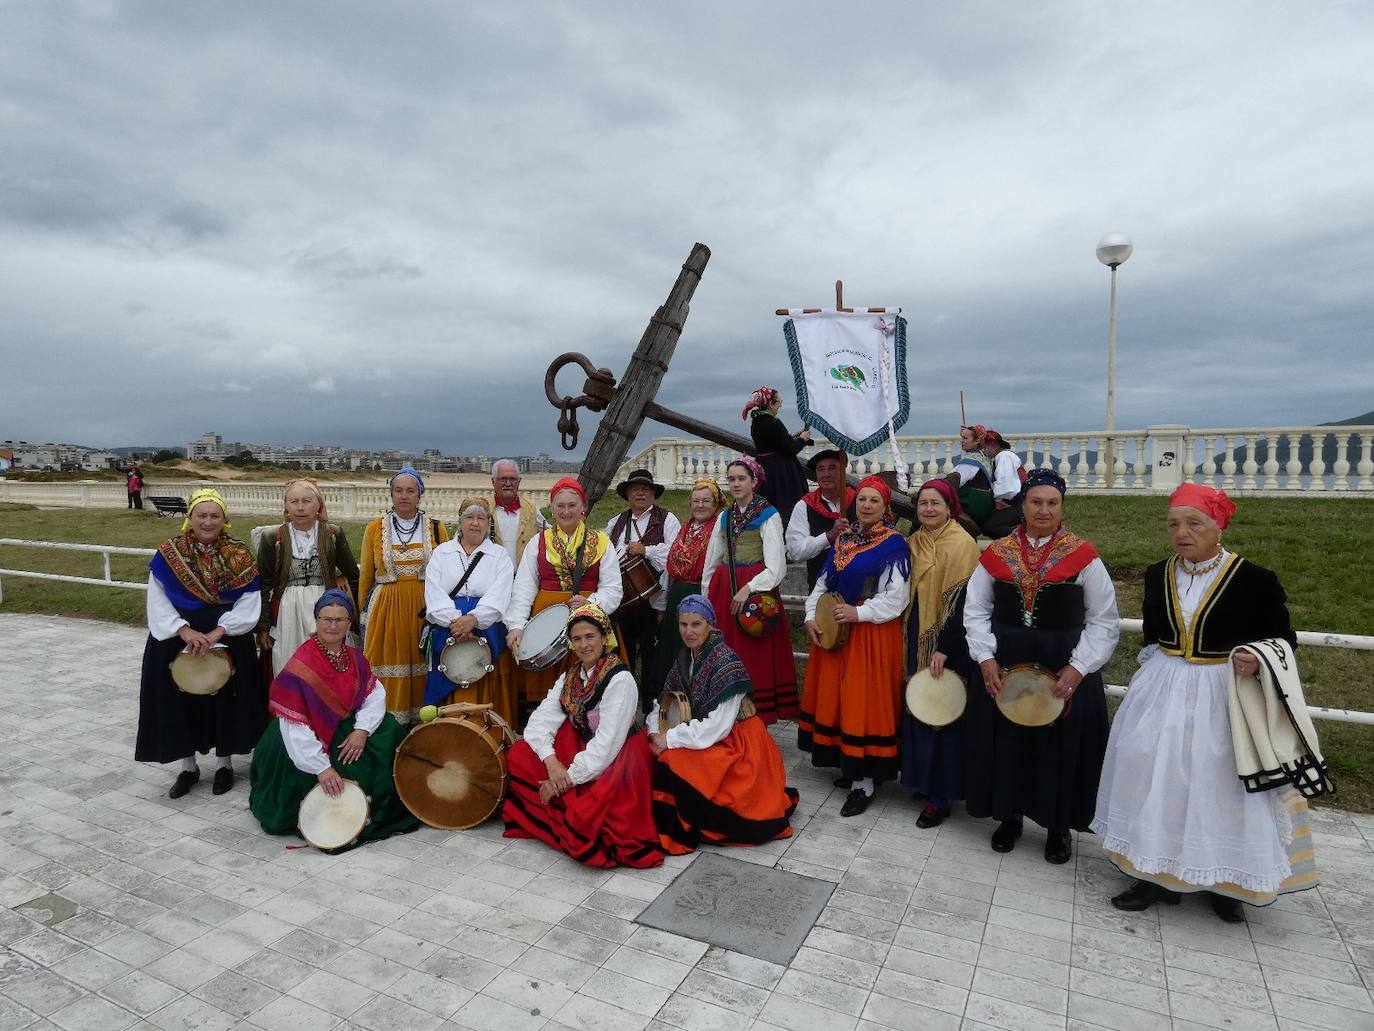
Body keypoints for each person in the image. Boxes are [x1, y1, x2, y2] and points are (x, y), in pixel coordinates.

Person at [1092, 484, 1318, 922]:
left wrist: (1258, 656)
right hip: (1164, 687)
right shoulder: (1159, 573)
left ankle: (1226, 882)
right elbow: (1156, 633)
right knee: (1157, 779)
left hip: (1226, 694)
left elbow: (1284, 639)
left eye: (1194, 523)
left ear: (1218, 527)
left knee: (1220, 785)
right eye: (1174, 524)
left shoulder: (1254, 579)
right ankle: (1153, 874)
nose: (1182, 532)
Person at [962, 469, 1120, 863]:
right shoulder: (996, 553)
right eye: (1036, 502)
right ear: (1023, 505)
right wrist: (985, 657)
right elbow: (976, 609)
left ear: (1062, 506)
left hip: (1063, 663)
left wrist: (1079, 667)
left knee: (1058, 747)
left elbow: (1103, 619)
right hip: (1006, 660)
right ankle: (1010, 816)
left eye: (1052, 503)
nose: (1044, 510)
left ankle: (1058, 827)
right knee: (1008, 742)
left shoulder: (1084, 556)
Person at [248, 591, 418, 847]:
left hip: (348, 725)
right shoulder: (301, 664)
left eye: (340, 620)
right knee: (318, 771)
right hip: (307, 732)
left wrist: (362, 731)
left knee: (391, 729)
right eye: (327, 619)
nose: (333, 625)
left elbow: (373, 694)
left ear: (349, 623)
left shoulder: (355, 658)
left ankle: (378, 803)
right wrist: (321, 768)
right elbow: (295, 724)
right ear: (316, 621)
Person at [502, 604, 664, 868]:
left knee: (586, 817)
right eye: (577, 639)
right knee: (520, 754)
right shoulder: (570, 676)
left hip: (620, 758)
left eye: (590, 636)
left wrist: (564, 779)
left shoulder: (620, 679)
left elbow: (606, 746)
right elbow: (540, 721)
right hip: (586, 746)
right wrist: (551, 762)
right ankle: (558, 800)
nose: (584, 645)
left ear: (604, 638)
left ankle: (559, 803)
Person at [135, 488, 264, 798]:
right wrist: (183, 631)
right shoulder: (169, 554)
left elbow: (250, 601)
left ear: (225, 519)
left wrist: (220, 631)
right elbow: (158, 599)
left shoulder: (239, 554)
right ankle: (188, 768)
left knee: (225, 701)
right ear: (189, 518)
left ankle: (224, 765)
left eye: (214, 515)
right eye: (201, 515)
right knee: (181, 702)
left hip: (227, 637)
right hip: (177, 638)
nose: (208, 521)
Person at [648, 595, 798, 853]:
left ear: (710, 625)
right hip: (710, 733)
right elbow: (664, 701)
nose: (689, 631)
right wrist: (654, 730)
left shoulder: (726, 661)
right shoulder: (686, 658)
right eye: (683, 625)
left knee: (673, 760)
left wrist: (670, 739)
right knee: (654, 751)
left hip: (740, 742)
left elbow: (717, 727)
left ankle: (689, 823)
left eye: (696, 624)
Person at [799, 476, 911, 816]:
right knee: (839, 698)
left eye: (873, 501)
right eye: (861, 499)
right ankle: (849, 767)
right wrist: (810, 615)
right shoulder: (844, 540)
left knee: (862, 701)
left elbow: (896, 599)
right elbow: (823, 582)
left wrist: (858, 612)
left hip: (869, 634)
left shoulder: (894, 545)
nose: (865, 506)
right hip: (836, 631)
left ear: (885, 508)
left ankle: (865, 782)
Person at [898, 479, 981, 828]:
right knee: (918, 706)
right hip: (914, 633)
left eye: (936, 503)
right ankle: (923, 780)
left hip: (949, 642)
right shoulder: (912, 542)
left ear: (950, 508)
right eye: (922, 504)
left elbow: (967, 604)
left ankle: (941, 796)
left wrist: (946, 647)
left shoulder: (963, 545)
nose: (928, 509)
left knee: (943, 713)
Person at [507, 477, 624, 714]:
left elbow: (613, 588)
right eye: (560, 506)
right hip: (546, 624)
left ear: (583, 509)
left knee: (591, 684)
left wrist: (590, 604)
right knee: (547, 693)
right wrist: (517, 625)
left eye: (572, 505)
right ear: (552, 509)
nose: (566, 511)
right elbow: (524, 588)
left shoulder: (601, 542)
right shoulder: (538, 543)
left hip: (590, 620)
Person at [701, 456, 799, 725]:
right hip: (724, 591)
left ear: (754, 481)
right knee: (725, 651)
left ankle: (754, 713)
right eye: (731, 479)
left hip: (756, 594)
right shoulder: (725, 515)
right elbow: (713, 558)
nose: (736, 483)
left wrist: (749, 587)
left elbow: (777, 567)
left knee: (752, 654)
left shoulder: (768, 514)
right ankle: (725, 711)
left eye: (741, 478)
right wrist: (706, 597)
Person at [358, 465, 449, 720]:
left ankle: (422, 725)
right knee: (388, 665)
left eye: (410, 490)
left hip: (423, 607)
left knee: (424, 665)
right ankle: (387, 723)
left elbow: (446, 574)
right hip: (387, 608)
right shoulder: (375, 528)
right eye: (398, 490)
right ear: (391, 494)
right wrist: (362, 615)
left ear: (419, 494)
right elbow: (366, 576)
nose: (404, 496)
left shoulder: (435, 528)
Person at [423, 498, 516, 726]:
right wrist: (456, 622)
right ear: (460, 521)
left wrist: (474, 619)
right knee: (449, 664)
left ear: (488, 523)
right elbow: (434, 593)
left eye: (481, 518)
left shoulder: (500, 556)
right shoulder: (441, 553)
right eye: (469, 517)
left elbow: (500, 594)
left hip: (486, 625)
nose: (475, 523)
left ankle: (490, 729)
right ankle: (448, 726)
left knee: (482, 666)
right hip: (448, 625)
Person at [256, 478, 360, 678]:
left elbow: (352, 574)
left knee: (327, 663)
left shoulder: (332, 534)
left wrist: (355, 613)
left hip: (325, 607)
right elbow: (264, 584)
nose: (300, 508)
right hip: (288, 611)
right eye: (294, 502)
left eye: (306, 501)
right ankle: (293, 707)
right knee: (290, 661)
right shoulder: (273, 537)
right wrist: (264, 627)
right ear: (286, 506)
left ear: (318, 505)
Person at [604, 469, 681, 693]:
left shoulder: (667, 519)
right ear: (627, 495)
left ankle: (650, 708)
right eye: (635, 489)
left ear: (653, 494)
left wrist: (645, 550)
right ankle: (624, 704)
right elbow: (606, 555)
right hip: (623, 601)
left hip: (653, 600)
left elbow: (675, 554)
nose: (640, 493)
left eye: (645, 489)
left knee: (652, 657)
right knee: (622, 655)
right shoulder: (616, 522)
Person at [785, 449, 857, 590]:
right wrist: (829, 536)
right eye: (821, 469)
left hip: (858, 588)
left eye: (832, 468)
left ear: (843, 471)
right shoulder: (805, 506)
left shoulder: (859, 500)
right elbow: (795, 551)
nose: (826, 474)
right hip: (821, 590)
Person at [743, 386, 812, 524]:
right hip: (780, 471)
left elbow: (774, 443)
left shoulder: (757, 421)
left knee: (770, 505)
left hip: (765, 468)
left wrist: (794, 436)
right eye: (779, 401)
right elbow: (788, 450)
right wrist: (803, 439)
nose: (780, 404)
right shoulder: (773, 422)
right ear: (770, 404)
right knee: (786, 505)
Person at [488, 459, 547, 567]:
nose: (508, 483)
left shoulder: (531, 509)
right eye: (503, 479)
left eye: (512, 479)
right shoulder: (484, 509)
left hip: (524, 577)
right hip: (492, 577)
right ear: (493, 481)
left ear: (519, 481)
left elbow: (551, 534)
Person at [978, 430, 1026, 539]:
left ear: (994, 445)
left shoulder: (1004, 456)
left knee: (989, 526)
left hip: (1018, 504)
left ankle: (1025, 538)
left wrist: (999, 501)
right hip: (1019, 502)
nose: (984, 449)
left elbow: (1006, 484)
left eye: (985, 446)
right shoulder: (1004, 456)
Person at [948, 425, 996, 532]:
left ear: (977, 441)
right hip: (986, 504)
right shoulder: (984, 456)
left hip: (973, 504)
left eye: (965, 438)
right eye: (962, 438)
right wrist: (966, 433)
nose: (961, 441)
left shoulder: (969, 462)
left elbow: (953, 482)